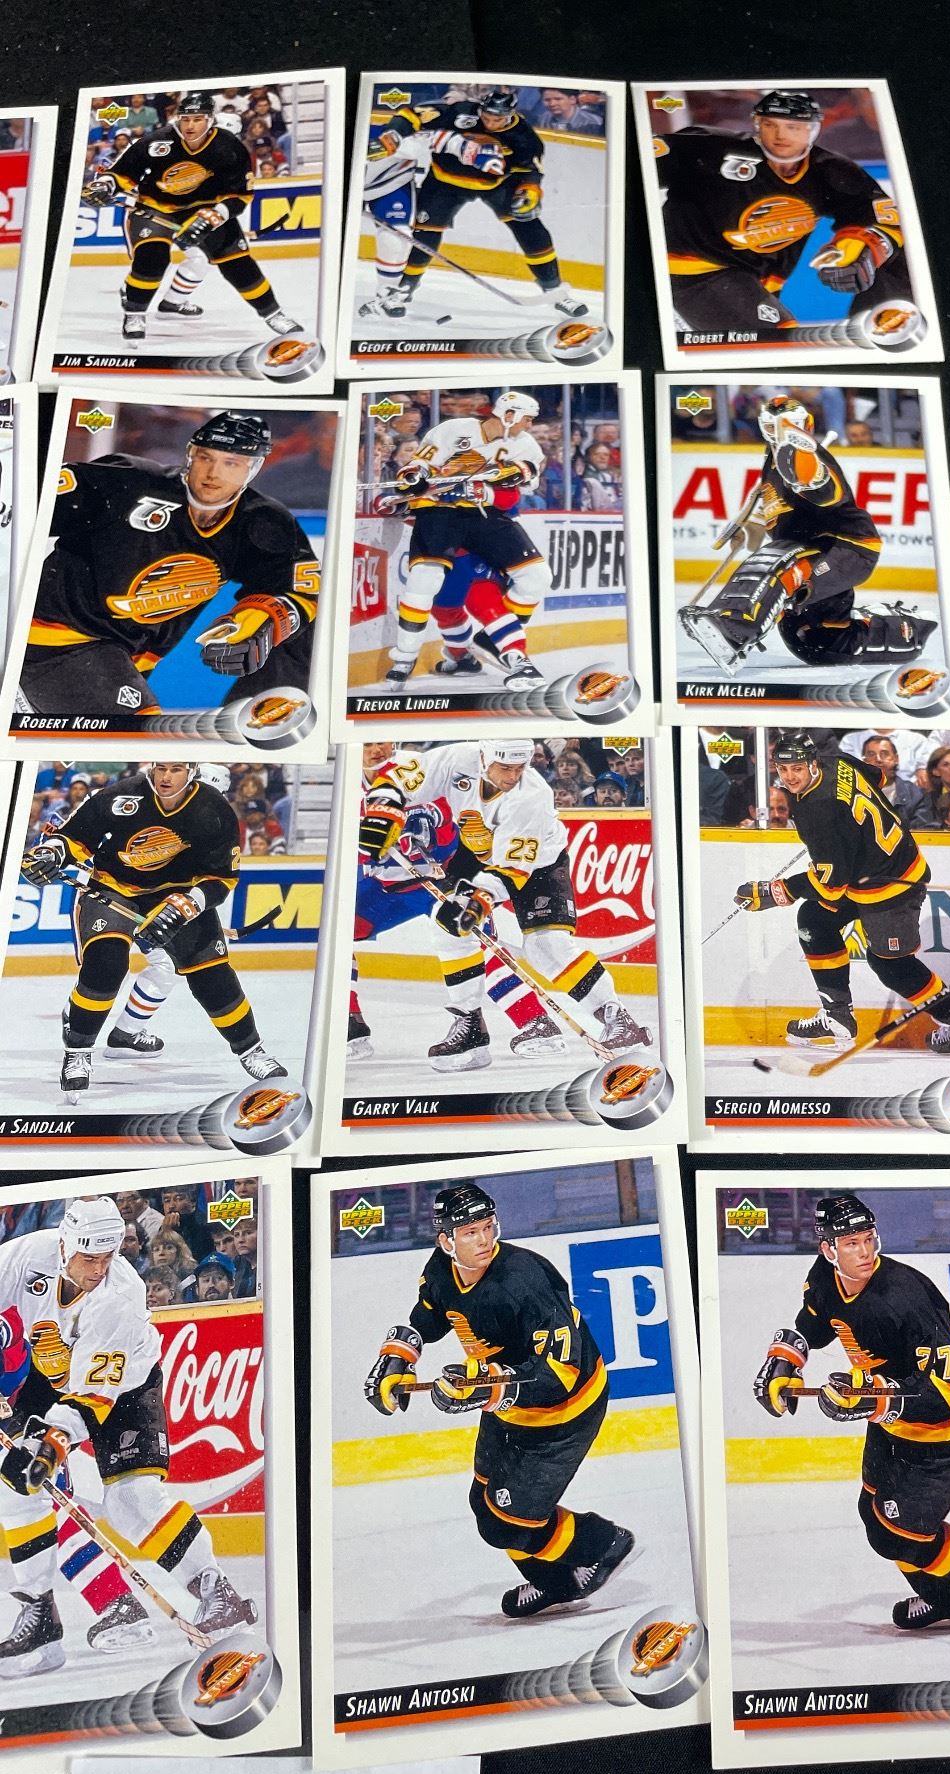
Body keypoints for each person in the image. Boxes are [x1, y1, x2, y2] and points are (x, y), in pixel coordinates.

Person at [0, 1196, 257, 1673]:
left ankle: (215, 1589)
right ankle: (39, 1616)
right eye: (89, 1258)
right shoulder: (26, 1254)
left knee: (131, 1501)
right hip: (50, 1374)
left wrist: (50, 1445)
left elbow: (94, 1395)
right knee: (14, 1488)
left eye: (108, 1256)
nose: (98, 1269)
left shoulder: (120, 1294)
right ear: (64, 1244)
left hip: (124, 1389)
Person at [363, 1182, 634, 1618]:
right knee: (484, 1503)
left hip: (564, 1413)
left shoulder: (524, 1280)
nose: (484, 1239)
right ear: (446, 1241)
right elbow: (431, 1314)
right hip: (507, 1405)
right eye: (470, 1232)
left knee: (505, 1523)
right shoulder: (441, 1270)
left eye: (488, 1227)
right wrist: (399, 1356)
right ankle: (556, 1584)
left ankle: (602, 1543)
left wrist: (488, 1386)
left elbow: (559, 1374)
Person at [753, 1193, 950, 1632]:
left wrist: (874, 1397)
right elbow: (815, 1324)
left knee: (892, 1533)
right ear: (828, 1250)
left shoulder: (905, 1296)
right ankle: (944, 1598)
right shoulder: (825, 1278)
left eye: (868, 1238)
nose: (864, 1251)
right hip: (892, 1420)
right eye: (851, 1243)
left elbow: (945, 1391)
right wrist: (786, 1360)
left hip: (947, 1431)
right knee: (872, 1510)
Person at [362, 739, 652, 1070]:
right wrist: (383, 811)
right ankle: (470, 1025)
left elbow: (512, 868)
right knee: (447, 927)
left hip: (539, 864)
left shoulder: (533, 795)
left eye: (519, 768)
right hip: (477, 854)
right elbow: (397, 780)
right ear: (484, 757)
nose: (513, 777)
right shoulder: (456, 758)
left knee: (547, 947)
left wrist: (478, 903)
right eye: (505, 768)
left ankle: (618, 1018)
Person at [17, 412, 321, 720]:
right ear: (190, 454)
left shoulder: (258, 522)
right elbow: (26, 501)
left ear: (253, 468)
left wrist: (261, 618)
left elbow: (299, 585)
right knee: (139, 738)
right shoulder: (130, 482)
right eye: (205, 457)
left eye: (231, 463)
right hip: (52, 642)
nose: (213, 473)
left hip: (126, 662)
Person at [20, 761, 288, 1098]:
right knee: (106, 964)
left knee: (212, 976)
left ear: (191, 771)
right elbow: (74, 837)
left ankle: (251, 1050)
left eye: (175, 769)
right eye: (161, 768)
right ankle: (78, 1052)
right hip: (114, 888)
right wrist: (52, 852)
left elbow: (221, 878)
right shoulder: (121, 795)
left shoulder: (214, 809)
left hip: (179, 894)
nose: (166, 777)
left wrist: (187, 906)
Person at [732, 734, 950, 1052]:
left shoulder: (818, 811)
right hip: (867, 875)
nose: (790, 777)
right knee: (815, 919)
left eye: (797, 768)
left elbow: (831, 885)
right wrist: (848, 833)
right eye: (783, 769)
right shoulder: (837, 761)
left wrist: (778, 890)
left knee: (890, 964)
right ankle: (837, 1016)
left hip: (892, 886)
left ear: (812, 763)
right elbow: (878, 777)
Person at [680, 395, 934, 673]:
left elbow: (826, 492)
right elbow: (774, 501)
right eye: (773, 427)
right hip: (811, 548)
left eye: (787, 426)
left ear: (805, 426)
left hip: (847, 547)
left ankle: (734, 629)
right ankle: (904, 630)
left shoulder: (810, 457)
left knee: (782, 566)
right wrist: (753, 523)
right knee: (816, 640)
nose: (779, 433)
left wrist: (809, 476)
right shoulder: (772, 458)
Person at [348, 741, 564, 1066]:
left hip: (442, 878)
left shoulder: (415, 768)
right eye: (368, 743)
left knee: (475, 941)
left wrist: (424, 837)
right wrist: (368, 845)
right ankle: (351, 1025)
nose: (376, 749)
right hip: (386, 887)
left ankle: (535, 1022)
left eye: (382, 740)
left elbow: (460, 819)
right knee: (336, 935)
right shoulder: (347, 784)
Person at [653, 90, 912, 339]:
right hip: (690, 272)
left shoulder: (829, 171)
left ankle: (879, 332)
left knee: (900, 255)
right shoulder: (712, 148)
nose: (781, 136)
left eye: (793, 127)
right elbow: (642, 159)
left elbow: (879, 214)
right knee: (778, 341)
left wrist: (862, 247)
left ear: (813, 130)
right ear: (757, 124)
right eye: (770, 125)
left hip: (757, 283)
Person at [358, 86, 588, 324]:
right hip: (444, 183)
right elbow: (412, 114)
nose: (490, 123)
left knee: (531, 229)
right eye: (486, 116)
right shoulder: (460, 112)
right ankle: (402, 290)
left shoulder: (524, 136)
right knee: (424, 234)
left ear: (511, 115)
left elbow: (530, 171)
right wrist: (394, 134)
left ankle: (555, 291)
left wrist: (529, 191)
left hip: (497, 185)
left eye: (497, 120)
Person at [84, 91, 300, 342]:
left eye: (197, 119)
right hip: (156, 208)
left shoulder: (229, 146)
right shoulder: (157, 141)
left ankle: (273, 314)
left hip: (206, 208)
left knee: (238, 264)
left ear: (210, 120)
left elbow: (239, 195)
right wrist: (105, 185)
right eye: (185, 119)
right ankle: (135, 314)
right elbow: (121, 172)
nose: (190, 125)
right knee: (152, 259)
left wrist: (216, 215)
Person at [380, 390, 550, 689]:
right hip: (439, 512)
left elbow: (526, 478)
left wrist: (501, 480)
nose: (529, 425)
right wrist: (413, 478)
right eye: (527, 419)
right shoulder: (454, 429)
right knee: (424, 580)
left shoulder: (525, 444)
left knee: (537, 576)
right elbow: (419, 465)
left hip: (483, 515)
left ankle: (490, 641)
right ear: (509, 415)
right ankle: (404, 658)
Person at [534, 89, 605, 135]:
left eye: (558, 99)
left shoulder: (594, 123)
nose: (552, 104)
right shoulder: (543, 119)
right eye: (547, 100)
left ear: (572, 100)